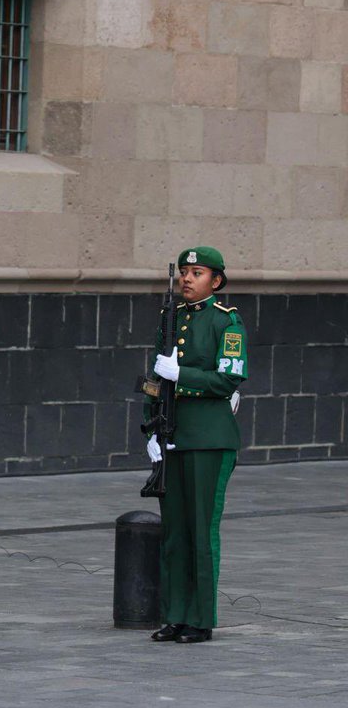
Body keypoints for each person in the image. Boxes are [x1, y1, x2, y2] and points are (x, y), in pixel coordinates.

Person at [146, 247, 247, 644]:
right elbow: (155, 378)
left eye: (197, 272)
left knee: (201, 532)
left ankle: (200, 618)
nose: (187, 278)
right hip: (172, 436)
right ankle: (175, 614)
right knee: (174, 532)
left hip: (209, 439)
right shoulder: (169, 318)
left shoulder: (227, 322)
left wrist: (182, 374)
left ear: (216, 281)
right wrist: (151, 430)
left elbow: (228, 379)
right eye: (184, 272)